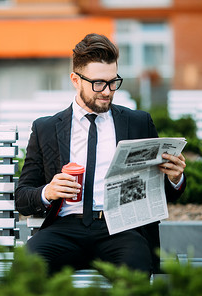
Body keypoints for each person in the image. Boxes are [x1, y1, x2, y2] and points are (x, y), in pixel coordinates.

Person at [15, 33, 186, 276]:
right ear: (75, 80)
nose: (107, 91)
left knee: (135, 270)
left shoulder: (138, 122)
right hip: (65, 227)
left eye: (113, 82)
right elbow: (22, 197)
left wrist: (174, 178)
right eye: (98, 83)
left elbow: (165, 193)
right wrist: (48, 192)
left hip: (120, 228)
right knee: (26, 267)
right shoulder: (46, 128)